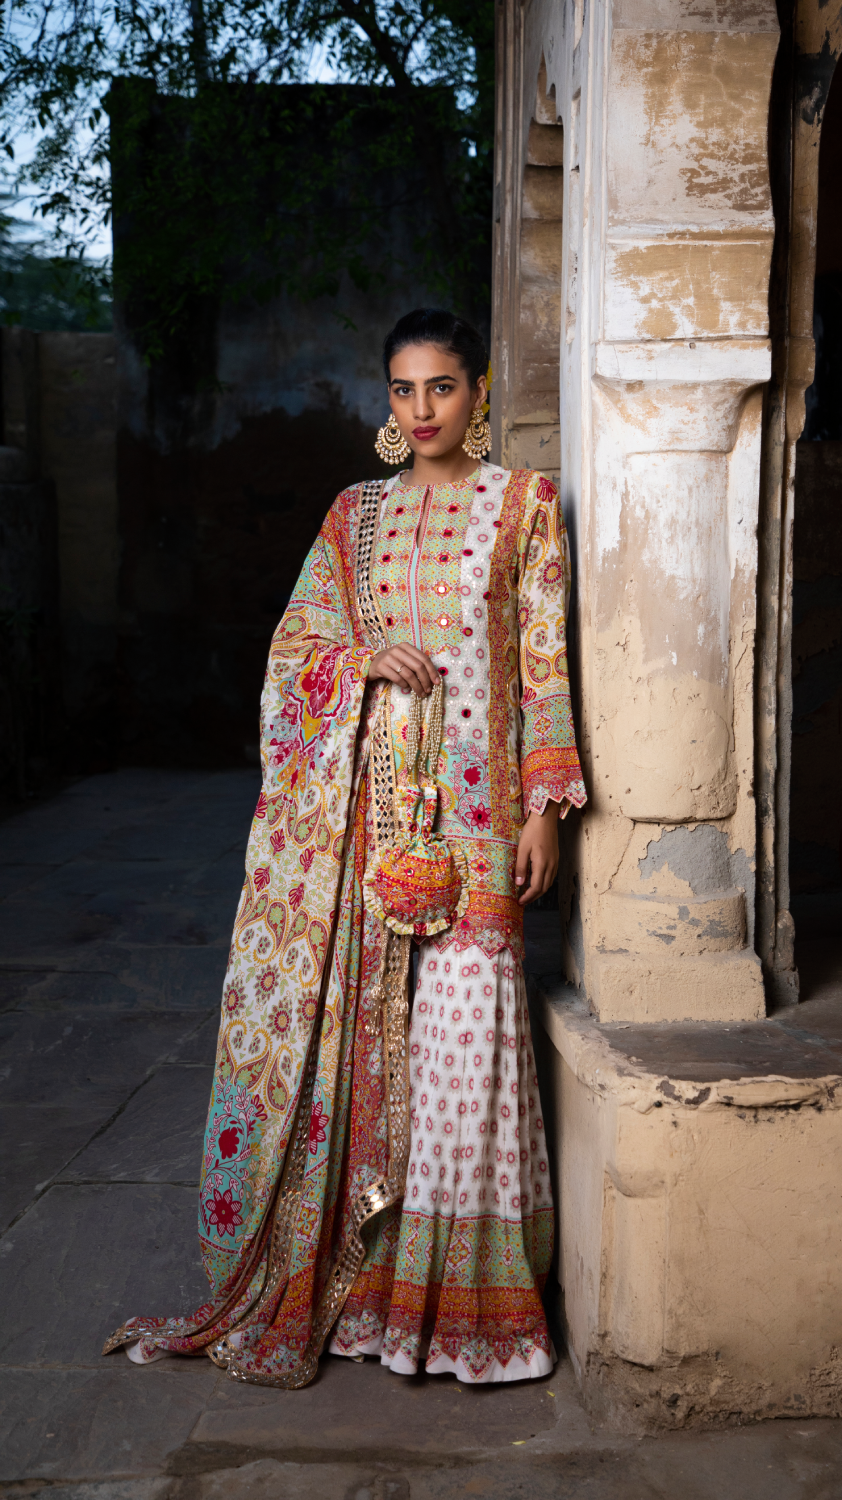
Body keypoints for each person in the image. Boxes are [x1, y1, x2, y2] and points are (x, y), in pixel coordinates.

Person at [103, 308, 586, 1388]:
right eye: (404, 390)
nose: (422, 410)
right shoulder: (351, 516)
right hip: (365, 820)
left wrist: (544, 806)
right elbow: (294, 655)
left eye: (443, 388)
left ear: (479, 391)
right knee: (364, 1065)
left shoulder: (524, 507)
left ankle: (466, 1315)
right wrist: (360, 657)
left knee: (467, 1050)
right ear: (387, 399)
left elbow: (543, 664)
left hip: (478, 816)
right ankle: (367, 1301)